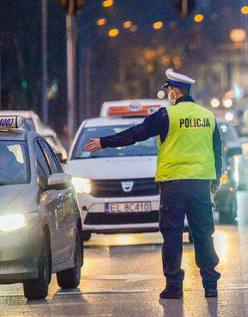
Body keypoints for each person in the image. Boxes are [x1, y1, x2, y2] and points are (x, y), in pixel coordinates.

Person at [85, 68, 222, 299]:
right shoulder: (208, 116)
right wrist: (215, 183)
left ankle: (174, 287)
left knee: (172, 235)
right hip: (200, 185)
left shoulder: (166, 116)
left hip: (173, 186)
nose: (168, 94)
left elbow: (135, 133)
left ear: (176, 92)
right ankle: (210, 286)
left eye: (169, 90)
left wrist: (104, 143)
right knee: (203, 234)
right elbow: (217, 152)